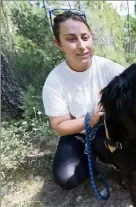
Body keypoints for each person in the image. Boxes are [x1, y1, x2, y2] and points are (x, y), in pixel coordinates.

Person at [42, 10, 125, 189]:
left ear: (91, 38)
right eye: (71, 39)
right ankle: (89, 158)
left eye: (85, 37)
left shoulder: (109, 68)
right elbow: (59, 126)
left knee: (119, 150)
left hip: (107, 128)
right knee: (66, 178)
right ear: (58, 44)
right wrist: (90, 119)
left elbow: (134, 87)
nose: (81, 46)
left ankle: (120, 165)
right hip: (77, 135)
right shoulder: (55, 80)